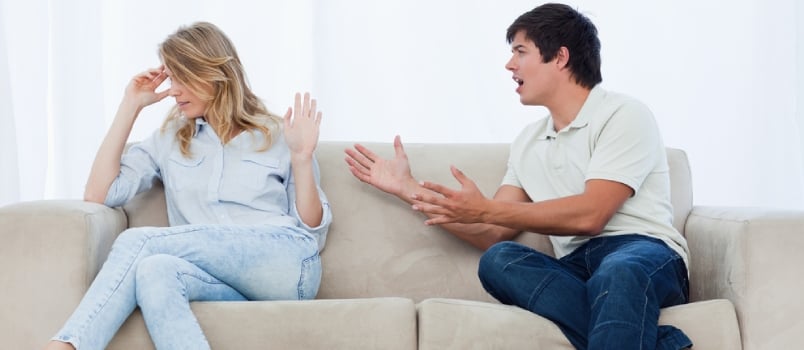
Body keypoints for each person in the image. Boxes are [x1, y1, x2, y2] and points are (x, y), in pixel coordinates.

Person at [345, 3, 691, 350]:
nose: (510, 65)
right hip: (578, 267)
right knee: (499, 260)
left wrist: (485, 209)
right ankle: (663, 343)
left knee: (618, 271)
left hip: (642, 252)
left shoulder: (623, 114)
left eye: (520, 52)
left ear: (560, 57)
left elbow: (592, 215)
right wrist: (407, 190)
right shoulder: (528, 142)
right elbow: (491, 233)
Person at [45, 22, 331, 350]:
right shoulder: (170, 139)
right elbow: (99, 194)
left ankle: (65, 347)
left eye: (183, 77)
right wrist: (130, 105)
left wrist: (302, 158)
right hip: (220, 279)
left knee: (140, 242)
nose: (174, 90)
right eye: (171, 78)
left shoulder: (280, 134)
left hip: (286, 264)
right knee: (155, 270)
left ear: (213, 73)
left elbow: (312, 232)